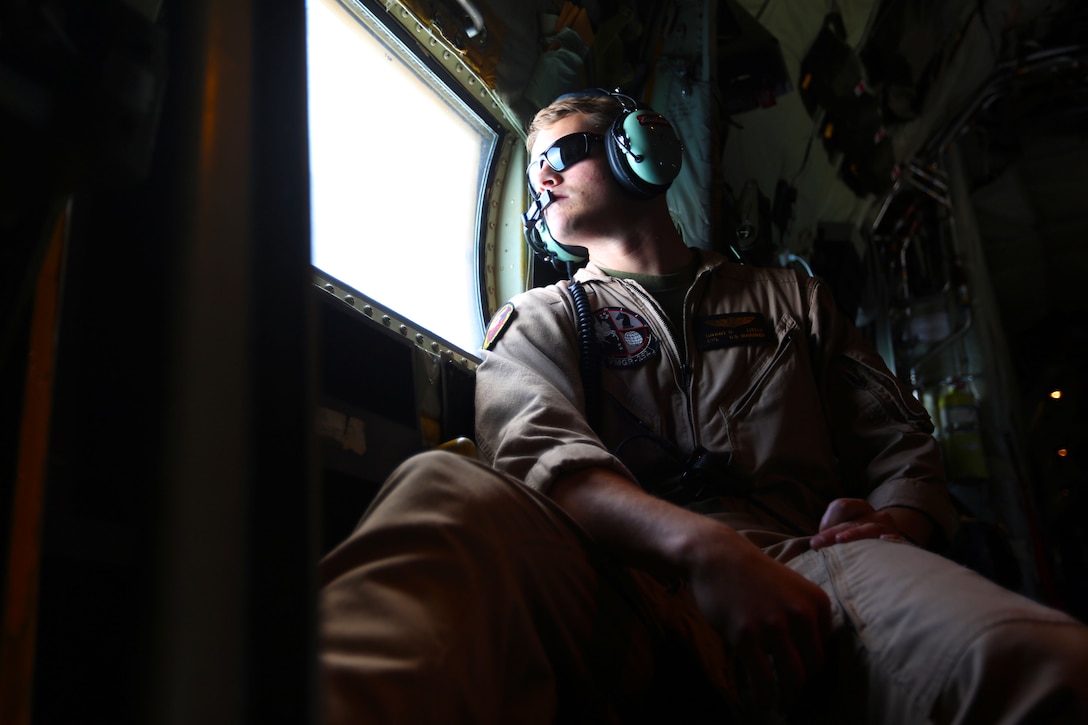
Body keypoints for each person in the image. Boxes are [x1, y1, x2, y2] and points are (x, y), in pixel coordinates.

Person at [319, 91, 1088, 723]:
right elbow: (537, 455)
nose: (542, 183)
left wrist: (896, 523)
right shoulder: (543, 317)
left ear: (635, 144)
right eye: (534, 177)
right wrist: (701, 549)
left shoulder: (792, 300)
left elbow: (901, 444)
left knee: (1031, 663)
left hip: (809, 568)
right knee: (445, 489)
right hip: (621, 582)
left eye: (557, 156)